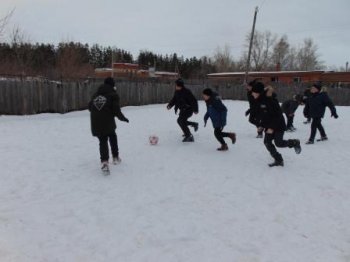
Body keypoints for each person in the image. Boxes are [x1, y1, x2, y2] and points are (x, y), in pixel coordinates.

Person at [251, 82, 301, 167]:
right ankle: (279, 160)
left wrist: (271, 127)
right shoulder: (259, 101)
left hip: (278, 125)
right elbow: (264, 116)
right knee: (267, 142)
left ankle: (294, 142)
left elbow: (278, 115)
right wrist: (261, 126)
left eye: (254, 92)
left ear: (258, 92)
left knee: (279, 143)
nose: (252, 94)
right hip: (269, 125)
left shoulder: (270, 100)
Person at [89, 77, 129, 172]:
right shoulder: (113, 95)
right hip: (107, 121)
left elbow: (90, 107)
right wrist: (123, 118)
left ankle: (104, 162)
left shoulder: (96, 94)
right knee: (112, 136)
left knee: (102, 140)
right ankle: (115, 157)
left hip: (95, 122)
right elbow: (116, 110)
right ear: (112, 85)